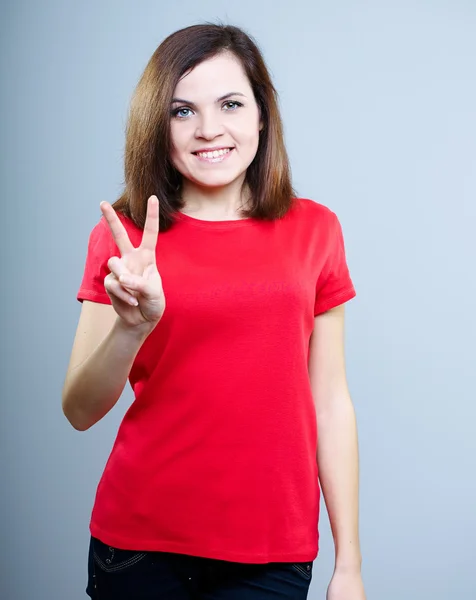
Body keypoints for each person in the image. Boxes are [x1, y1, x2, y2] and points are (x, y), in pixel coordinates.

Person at [62, 23, 366, 600]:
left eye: (230, 104)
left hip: (271, 550)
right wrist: (131, 328)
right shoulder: (125, 237)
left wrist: (348, 561)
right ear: (159, 125)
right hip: (140, 545)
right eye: (182, 111)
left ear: (260, 115)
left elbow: (330, 402)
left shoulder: (315, 230)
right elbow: (79, 410)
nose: (208, 130)